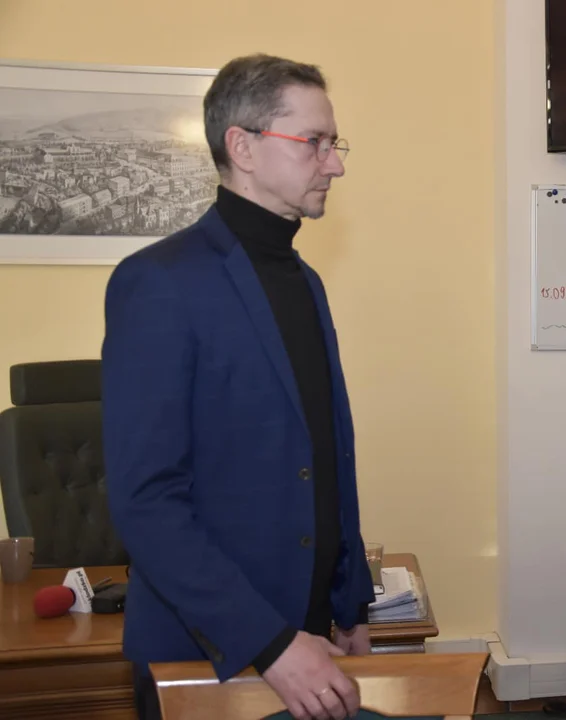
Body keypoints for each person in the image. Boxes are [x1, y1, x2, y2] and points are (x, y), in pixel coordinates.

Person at [102, 54, 374, 720]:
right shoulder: (158, 282)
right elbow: (146, 501)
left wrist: (348, 602)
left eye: (333, 144)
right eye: (314, 142)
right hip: (210, 648)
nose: (334, 165)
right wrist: (270, 644)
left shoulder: (304, 281)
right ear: (243, 147)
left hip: (308, 632)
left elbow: (323, 454)